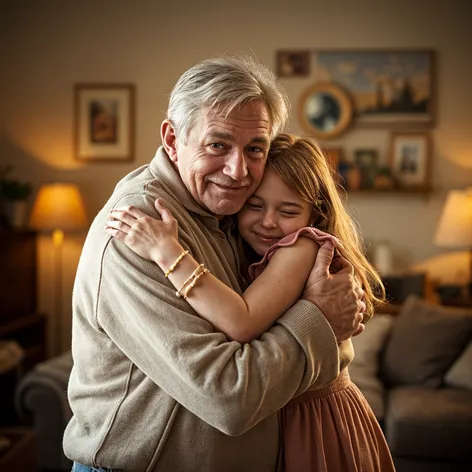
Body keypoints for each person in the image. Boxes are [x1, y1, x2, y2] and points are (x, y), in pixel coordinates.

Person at [64, 56, 366, 472]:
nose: (238, 170)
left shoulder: (230, 210)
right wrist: (321, 322)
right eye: (218, 144)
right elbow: (229, 398)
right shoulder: (140, 229)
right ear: (172, 138)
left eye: (254, 148)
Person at [106, 133, 395, 471]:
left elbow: (242, 322)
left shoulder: (300, 248)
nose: (268, 221)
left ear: (315, 215)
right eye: (255, 205)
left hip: (315, 418)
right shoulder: (248, 247)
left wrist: (167, 252)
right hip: (287, 413)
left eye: (288, 210)